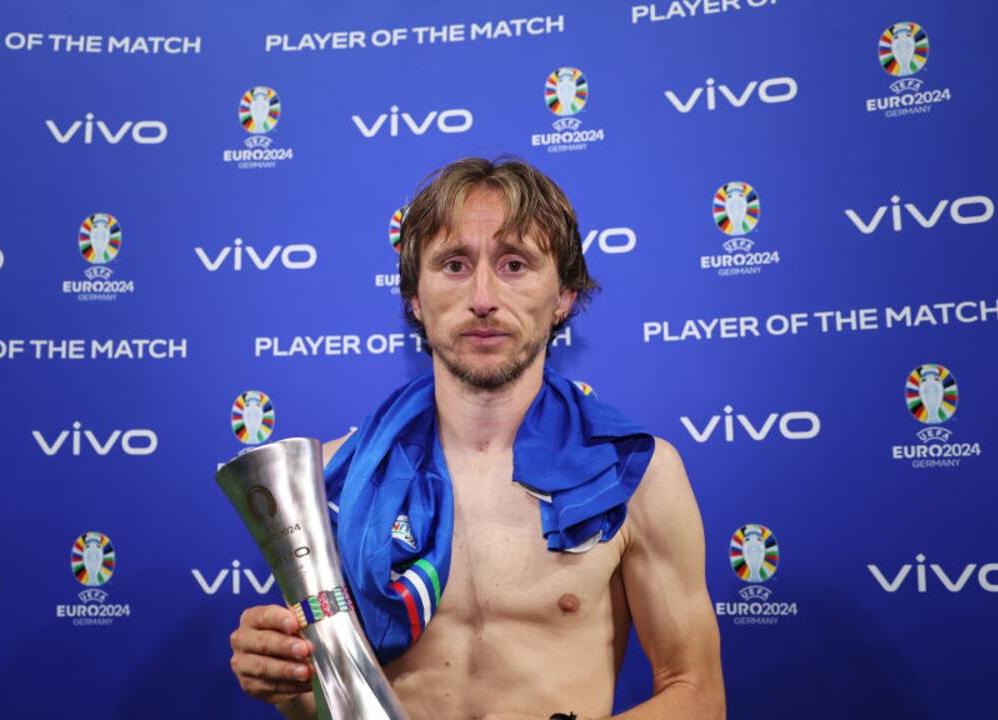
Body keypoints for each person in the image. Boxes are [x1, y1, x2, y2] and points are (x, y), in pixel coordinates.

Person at [229, 157, 724, 719]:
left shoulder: (636, 473)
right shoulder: (333, 478)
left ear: (564, 295)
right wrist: (287, 679)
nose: (483, 297)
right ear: (415, 296)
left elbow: (697, 694)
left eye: (515, 264)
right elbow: (333, 702)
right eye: (455, 265)